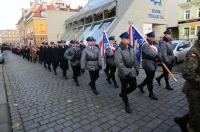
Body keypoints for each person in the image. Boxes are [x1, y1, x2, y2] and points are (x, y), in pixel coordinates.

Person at [174, 31, 200, 132]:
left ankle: (183, 121)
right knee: (196, 118)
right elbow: (187, 73)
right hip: (194, 91)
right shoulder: (194, 52)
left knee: (195, 112)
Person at [114, 32, 139, 113]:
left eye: (129, 38)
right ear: (123, 39)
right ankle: (126, 104)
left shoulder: (130, 47)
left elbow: (134, 59)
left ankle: (123, 94)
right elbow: (119, 63)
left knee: (134, 86)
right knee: (124, 89)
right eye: (127, 39)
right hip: (124, 73)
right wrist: (127, 72)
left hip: (132, 71)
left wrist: (137, 68)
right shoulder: (119, 49)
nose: (129, 40)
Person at [138, 32, 160, 100]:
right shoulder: (145, 44)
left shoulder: (153, 44)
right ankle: (151, 93)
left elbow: (157, 50)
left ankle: (141, 85)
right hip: (147, 63)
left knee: (149, 77)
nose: (153, 38)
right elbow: (151, 54)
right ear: (148, 37)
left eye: (154, 37)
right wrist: (158, 56)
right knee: (150, 79)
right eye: (152, 37)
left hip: (153, 63)